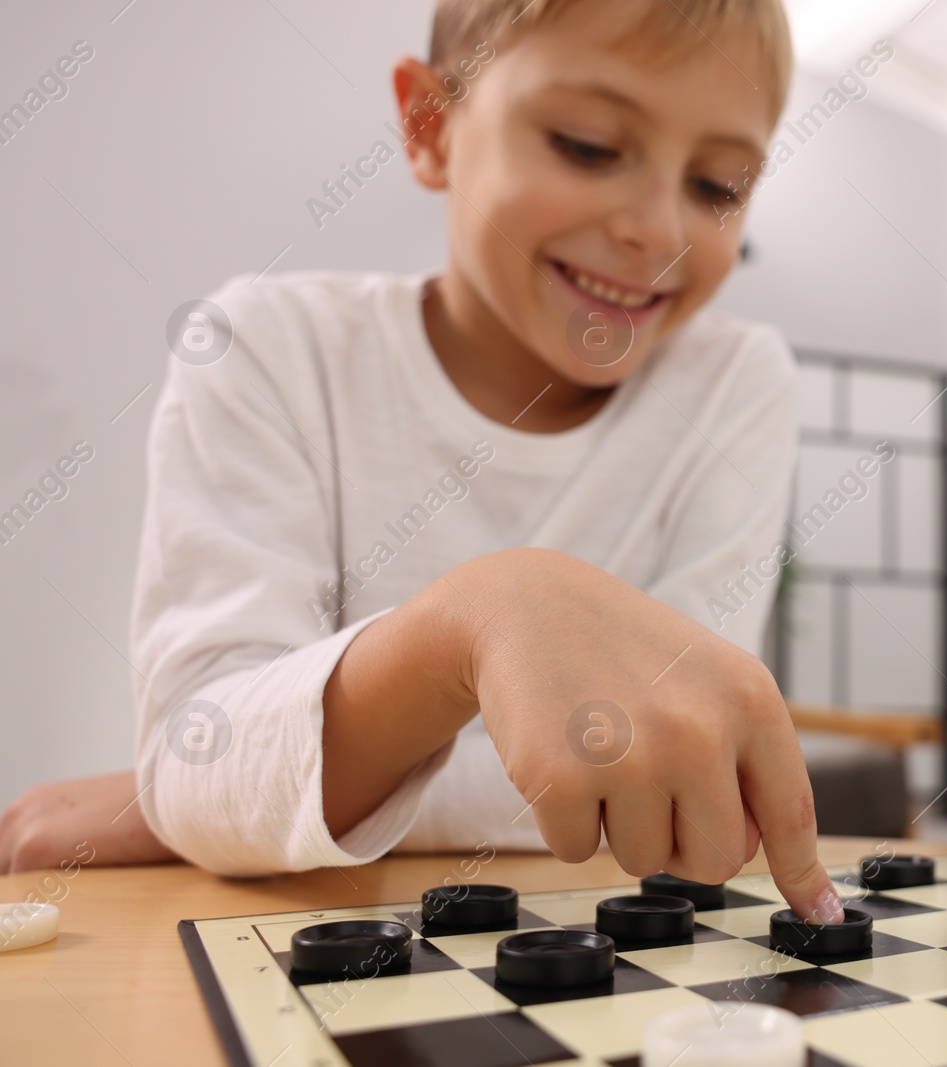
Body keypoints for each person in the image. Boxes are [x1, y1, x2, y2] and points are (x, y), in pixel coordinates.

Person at [0, 0, 843, 926]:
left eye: (719, 186)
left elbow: (669, 770)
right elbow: (206, 758)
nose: (657, 228)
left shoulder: (737, 379)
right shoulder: (265, 348)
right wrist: (469, 625)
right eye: (588, 145)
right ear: (431, 126)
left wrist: (234, 797)